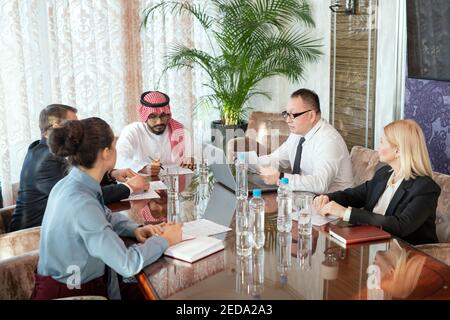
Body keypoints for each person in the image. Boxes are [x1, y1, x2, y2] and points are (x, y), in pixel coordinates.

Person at [31, 117, 182, 300]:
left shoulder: (71, 184)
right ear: (105, 153)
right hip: (75, 293)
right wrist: (165, 240)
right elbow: (127, 263)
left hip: (73, 283)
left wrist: (136, 229)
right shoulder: (81, 203)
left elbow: (103, 215)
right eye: (114, 145)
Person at [9, 105, 147, 232]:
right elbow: (85, 194)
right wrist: (129, 187)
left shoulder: (39, 148)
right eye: (74, 124)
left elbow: (80, 177)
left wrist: (111, 174)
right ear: (56, 127)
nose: (80, 130)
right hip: (32, 234)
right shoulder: (49, 158)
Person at [314, 119, 440, 245]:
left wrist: (345, 213)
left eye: (382, 142)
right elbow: (354, 195)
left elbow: (401, 226)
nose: (378, 148)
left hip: (409, 255)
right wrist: (326, 198)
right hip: (374, 245)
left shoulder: (425, 188)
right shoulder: (384, 174)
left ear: (398, 151)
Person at [259, 88, 353, 194]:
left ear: (311, 116)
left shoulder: (329, 140)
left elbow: (320, 184)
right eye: (286, 114)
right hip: (303, 199)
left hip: (330, 205)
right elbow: (275, 158)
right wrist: (246, 162)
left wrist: (280, 177)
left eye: (293, 115)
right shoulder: (297, 135)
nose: (288, 120)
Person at [115, 91, 194, 176]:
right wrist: (144, 168)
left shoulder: (179, 130)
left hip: (175, 183)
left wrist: (192, 159)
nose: (159, 122)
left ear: (168, 114)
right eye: (153, 116)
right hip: (143, 184)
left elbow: (196, 154)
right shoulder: (133, 131)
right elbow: (119, 158)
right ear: (145, 116)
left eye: (163, 115)